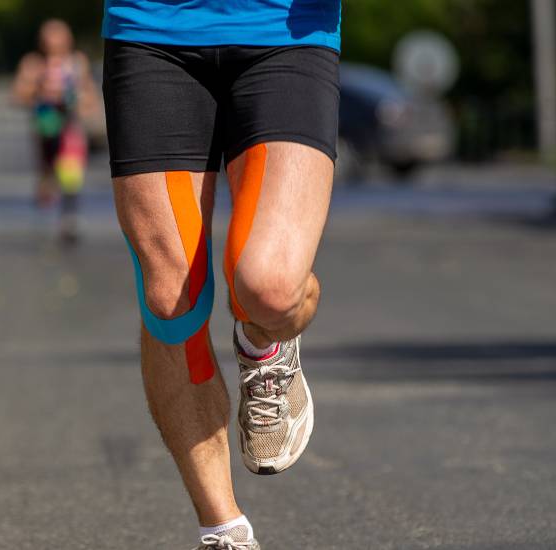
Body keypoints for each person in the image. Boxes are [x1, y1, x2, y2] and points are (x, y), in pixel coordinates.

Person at [101, 1, 341, 547]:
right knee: (169, 299)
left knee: (270, 290)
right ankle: (223, 528)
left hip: (288, 29)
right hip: (152, 28)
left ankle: (264, 342)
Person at [13, 20, 96, 243]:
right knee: (48, 174)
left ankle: (69, 218)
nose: (54, 44)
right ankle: (46, 185)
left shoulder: (77, 62)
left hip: (70, 124)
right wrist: (38, 89)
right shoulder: (33, 64)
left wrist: (78, 99)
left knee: (70, 171)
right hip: (45, 124)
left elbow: (90, 95)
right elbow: (17, 95)